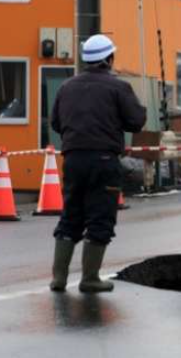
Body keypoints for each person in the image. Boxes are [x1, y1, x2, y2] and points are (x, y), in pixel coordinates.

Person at [49, 34, 147, 292]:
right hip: (104, 160)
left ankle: (58, 279)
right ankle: (89, 278)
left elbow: (56, 123)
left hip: (72, 159)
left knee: (71, 215)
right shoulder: (118, 87)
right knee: (100, 217)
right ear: (109, 59)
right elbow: (136, 121)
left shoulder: (66, 87)